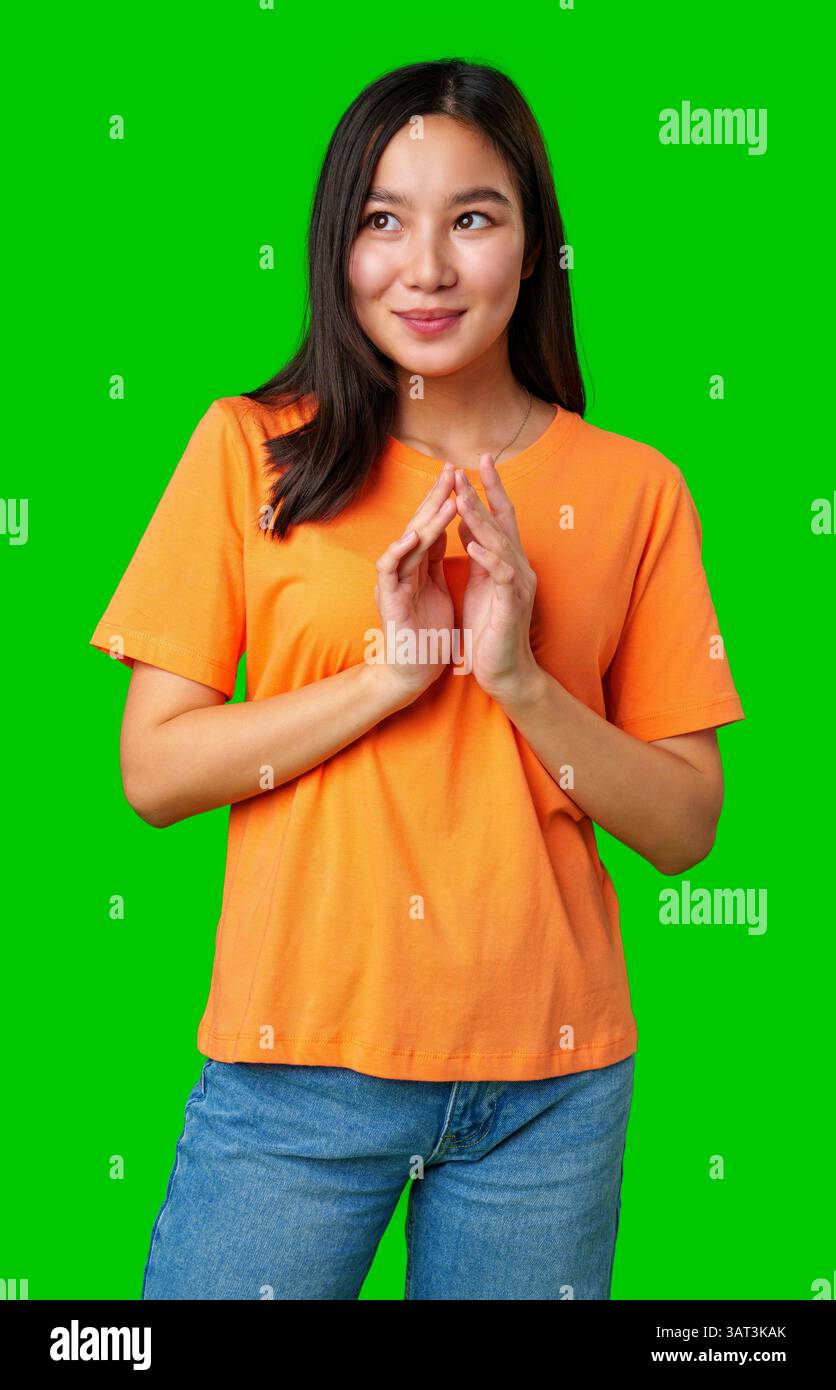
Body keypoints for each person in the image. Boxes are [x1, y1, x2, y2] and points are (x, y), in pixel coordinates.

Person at [89, 58, 745, 1300]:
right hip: (295, 1072)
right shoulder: (249, 451)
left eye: (473, 218)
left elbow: (682, 824)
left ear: (536, 244)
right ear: (338, 245)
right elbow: (155, 769)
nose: (427, 268)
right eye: (383, 220)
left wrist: (517, 679)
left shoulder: (634, 489)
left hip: (548, 1092)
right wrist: (396, 672)